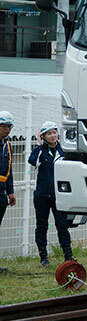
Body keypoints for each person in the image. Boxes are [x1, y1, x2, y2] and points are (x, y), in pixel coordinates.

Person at [28, 121, 73, 267]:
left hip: (59, 195)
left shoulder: (63, 150)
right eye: (49, 133)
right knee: (42, 225)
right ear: (43, 136)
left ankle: (68, 256)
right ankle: (43, 257)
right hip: (41, 195)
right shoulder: (40, 151)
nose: (52, 136)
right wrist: (39, 144)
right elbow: (32, 160)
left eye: (54, 132)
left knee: (62, 225)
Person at [0, 111, 16, 273]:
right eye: (4, 126)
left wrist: (10, 192)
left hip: (2, 191)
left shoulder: (7, 145)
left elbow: (9, 170)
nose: (7, 130)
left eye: (9, 126)